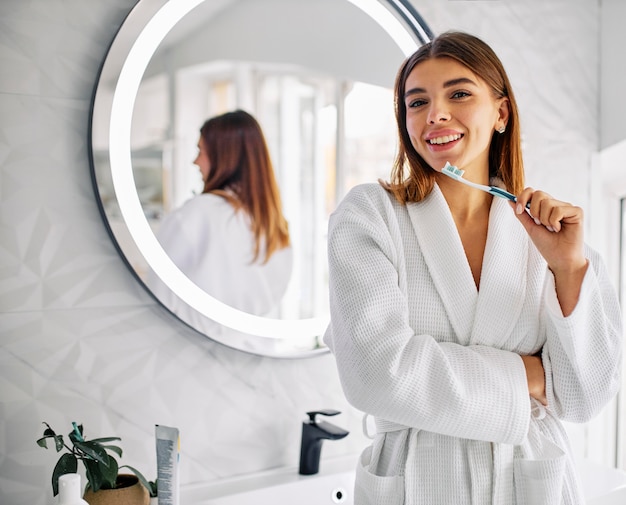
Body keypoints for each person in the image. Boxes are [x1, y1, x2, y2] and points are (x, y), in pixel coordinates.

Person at [324, 31, 622, 504]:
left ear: (501, 112)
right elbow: (374, 374)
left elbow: (584, 397)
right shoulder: (371, 214)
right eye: (416, 102)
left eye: (458, 94)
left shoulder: (549, 234)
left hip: (528, 481)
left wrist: (568, 268)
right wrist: (534, 377)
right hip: (416, 479)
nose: (435, 114)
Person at [147, 110, 292, 338]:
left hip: (195, 354)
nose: (195, 161)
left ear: (225, 157)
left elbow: (156, 299)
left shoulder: (196, 214)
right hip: (257, 356)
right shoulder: (274, 224)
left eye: (200, 151)